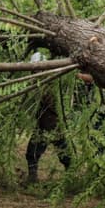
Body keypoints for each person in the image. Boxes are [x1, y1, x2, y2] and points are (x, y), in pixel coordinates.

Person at [25, 53, 71, 185]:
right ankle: (33, 178)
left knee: (36, 152)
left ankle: (69, 177)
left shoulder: (48, 84)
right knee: (35, 153)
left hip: (50, 124)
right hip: (48, 123)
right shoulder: (44, 82)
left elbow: (51, 105)